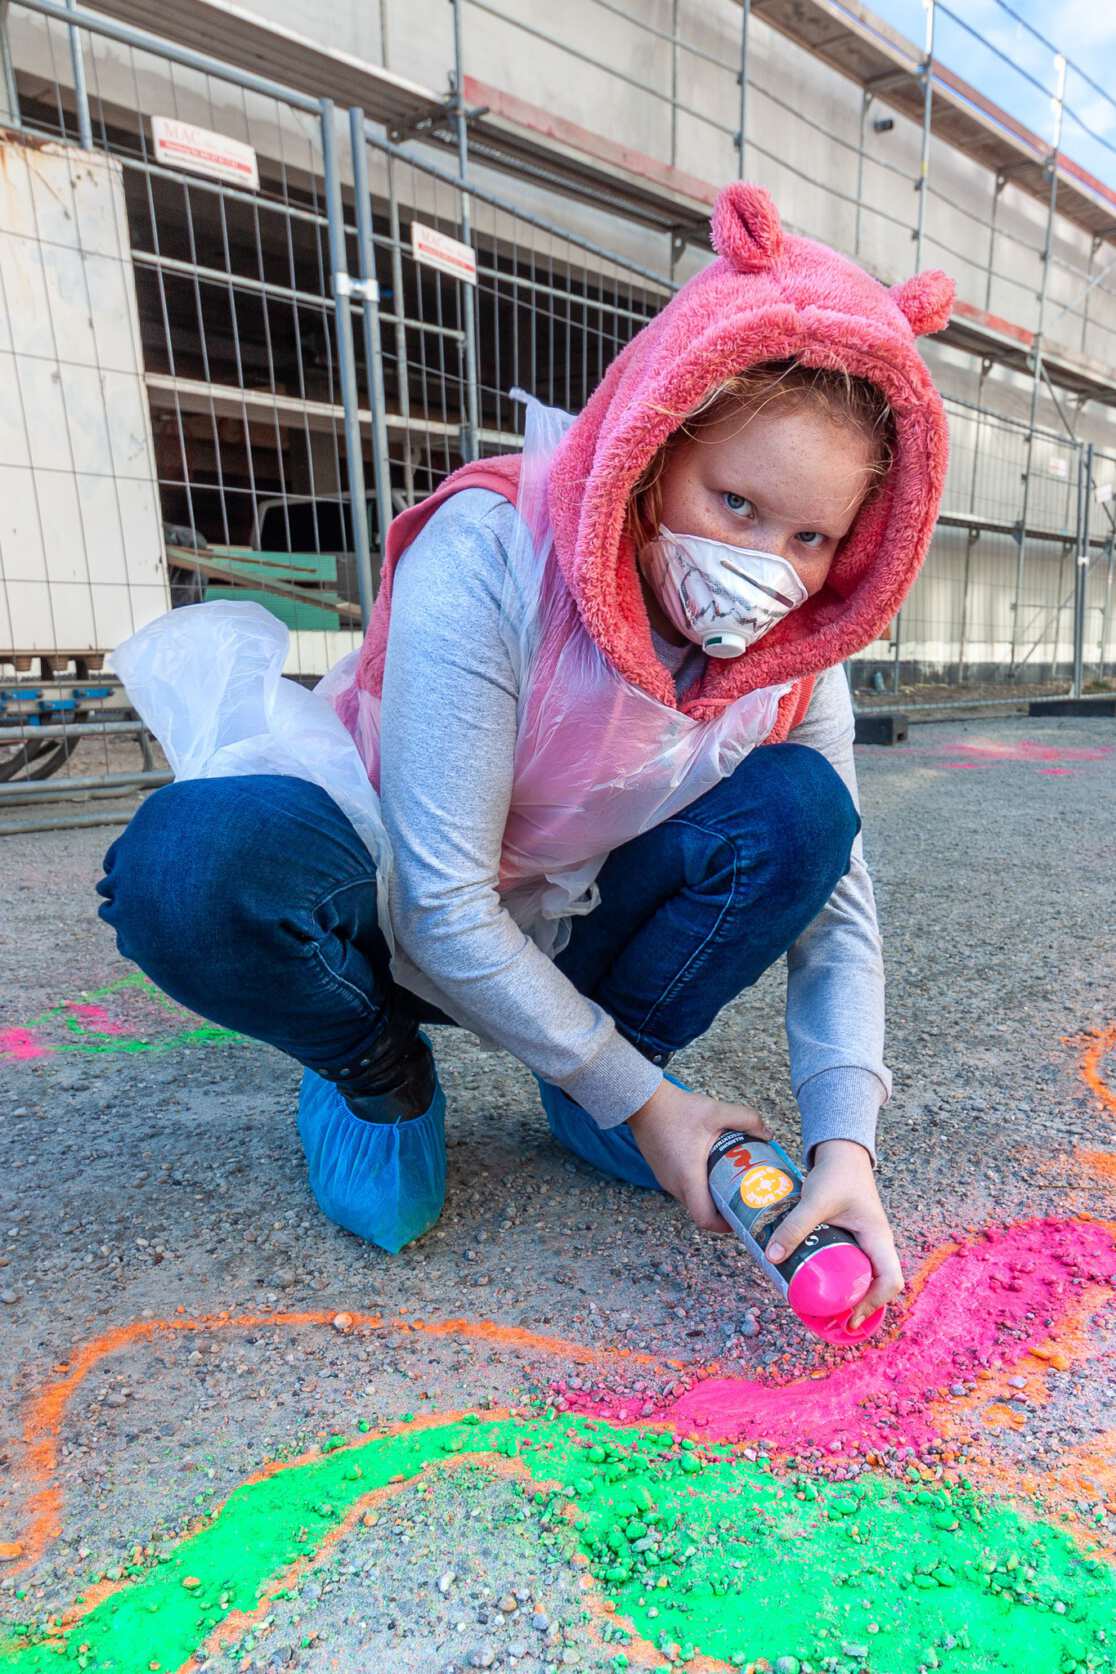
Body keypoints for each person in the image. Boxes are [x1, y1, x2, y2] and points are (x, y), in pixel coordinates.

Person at [96, 183, 953, 1330]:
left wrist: (846, 1141)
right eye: (737, 505)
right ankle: (377, 1066)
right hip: (393, 898)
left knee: (806, 810)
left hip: (570, 917)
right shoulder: (495, 555)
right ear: (652, 449)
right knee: (191, 868)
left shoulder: (799, 649)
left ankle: (603, 1085)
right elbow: (442, 901)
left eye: (812, 538)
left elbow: (834, 911)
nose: (770, 568)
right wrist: (661, 1114)